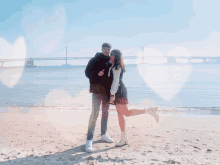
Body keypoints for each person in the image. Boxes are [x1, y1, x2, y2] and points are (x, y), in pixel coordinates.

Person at [108, 49, 159, 147]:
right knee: (120, 115)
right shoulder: (115, 66)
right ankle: (124, 138)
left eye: (111, 54)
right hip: (118, 91)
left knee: (125, 113)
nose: (110, 56)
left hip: (119, 91)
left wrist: (111, 95)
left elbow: (115, 82)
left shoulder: (117, 67)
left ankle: (149, 111)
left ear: (116, 56)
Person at [85, 43, 114, 152]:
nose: (106, 51)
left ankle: (103, 134)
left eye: (108, 49)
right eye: (105, 49)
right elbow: (87, 72)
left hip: (107, 92)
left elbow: (115, 76)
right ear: (101, 49)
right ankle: (89, 139)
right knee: (95, 114)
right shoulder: (95, 59)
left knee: (105, 113)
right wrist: (97, 74)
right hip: (97, 91)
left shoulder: (111, 60)